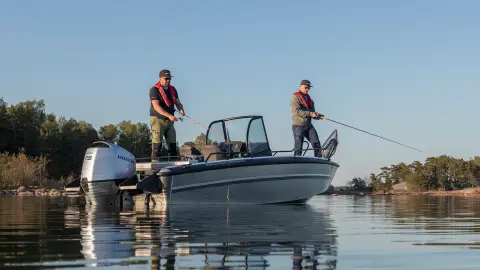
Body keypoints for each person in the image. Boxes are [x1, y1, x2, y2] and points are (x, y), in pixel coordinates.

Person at [149, 69, 185, 160]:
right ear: (160, 78)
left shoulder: (173, 89)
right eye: (166, 79)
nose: (168, 81)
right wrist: (169, 115)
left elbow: (177, 102)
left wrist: (181, 109)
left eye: (169, 79)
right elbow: (156, 107)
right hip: (158, 120)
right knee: (157, 145)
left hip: (169, 122)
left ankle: (173, 167)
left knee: (173, 145)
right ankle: (155, 167)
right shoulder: (154, 90)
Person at [290, 79, 325, 157]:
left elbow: (312, 112)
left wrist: (317, 116)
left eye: (309, 88)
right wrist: (310, 113)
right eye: (306, 87)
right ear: (301, 86)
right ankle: (296, 165)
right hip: (298, 126)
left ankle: (318, 161)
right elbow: (296, 112)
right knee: (298, 148)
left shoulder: (310, 100)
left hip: (308, 125)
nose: (307, 89)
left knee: (316, 144)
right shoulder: (295, 97)